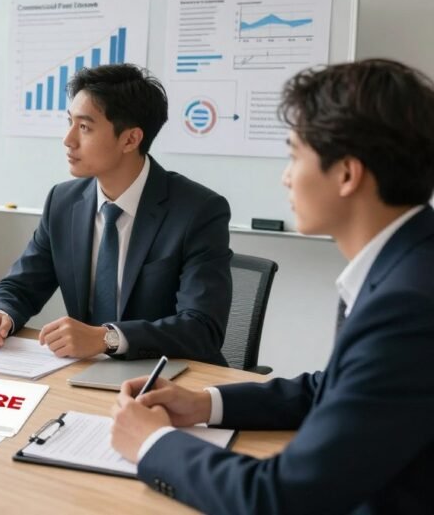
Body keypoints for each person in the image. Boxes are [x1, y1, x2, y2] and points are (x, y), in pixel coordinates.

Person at [111, 59, 434, 514]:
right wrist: (204, 403)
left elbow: (279, 498)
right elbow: (334, 389)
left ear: (346, 173)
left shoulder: (408, 305)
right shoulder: (410, 262)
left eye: (295, 155)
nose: (286, 176)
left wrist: (152, 443)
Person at [0, 64, 232, 365]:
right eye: (70, 122)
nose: (68, 139)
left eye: (84, 127)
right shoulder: (63, 202)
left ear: (130, 140)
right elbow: (21, 285)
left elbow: (202, 328)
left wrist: (107, 338)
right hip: (86, 375)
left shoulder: (198, 211)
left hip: (168, 382)